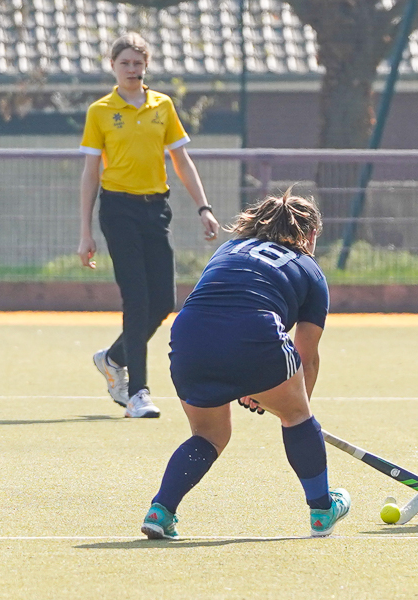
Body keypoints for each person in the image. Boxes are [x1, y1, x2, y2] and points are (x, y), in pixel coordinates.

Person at [140, 190, 351, 539]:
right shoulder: (311, 271)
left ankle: (161, 511)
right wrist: (298, 415)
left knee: (208, 434)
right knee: (296, 416)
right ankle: (321, 510)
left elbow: (222, 305)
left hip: (189, 334)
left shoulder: (227, 249)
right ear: (311, 234)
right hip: (255, 335)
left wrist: (256, 385)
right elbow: (306, 356)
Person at [77, 32, 219, 419]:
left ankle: (113, 357)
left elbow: (181, 160)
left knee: (163, 302)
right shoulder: (101, 111)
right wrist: (85, 231)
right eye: (124, 63)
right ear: (113, 66)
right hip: (118, 210)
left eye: (138, 63)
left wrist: (203, 207)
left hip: (156, 210)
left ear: (146, 65)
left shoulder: (163, 105)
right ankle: (138, 392)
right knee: (136, 302)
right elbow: (91, 173)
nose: (132, 70)